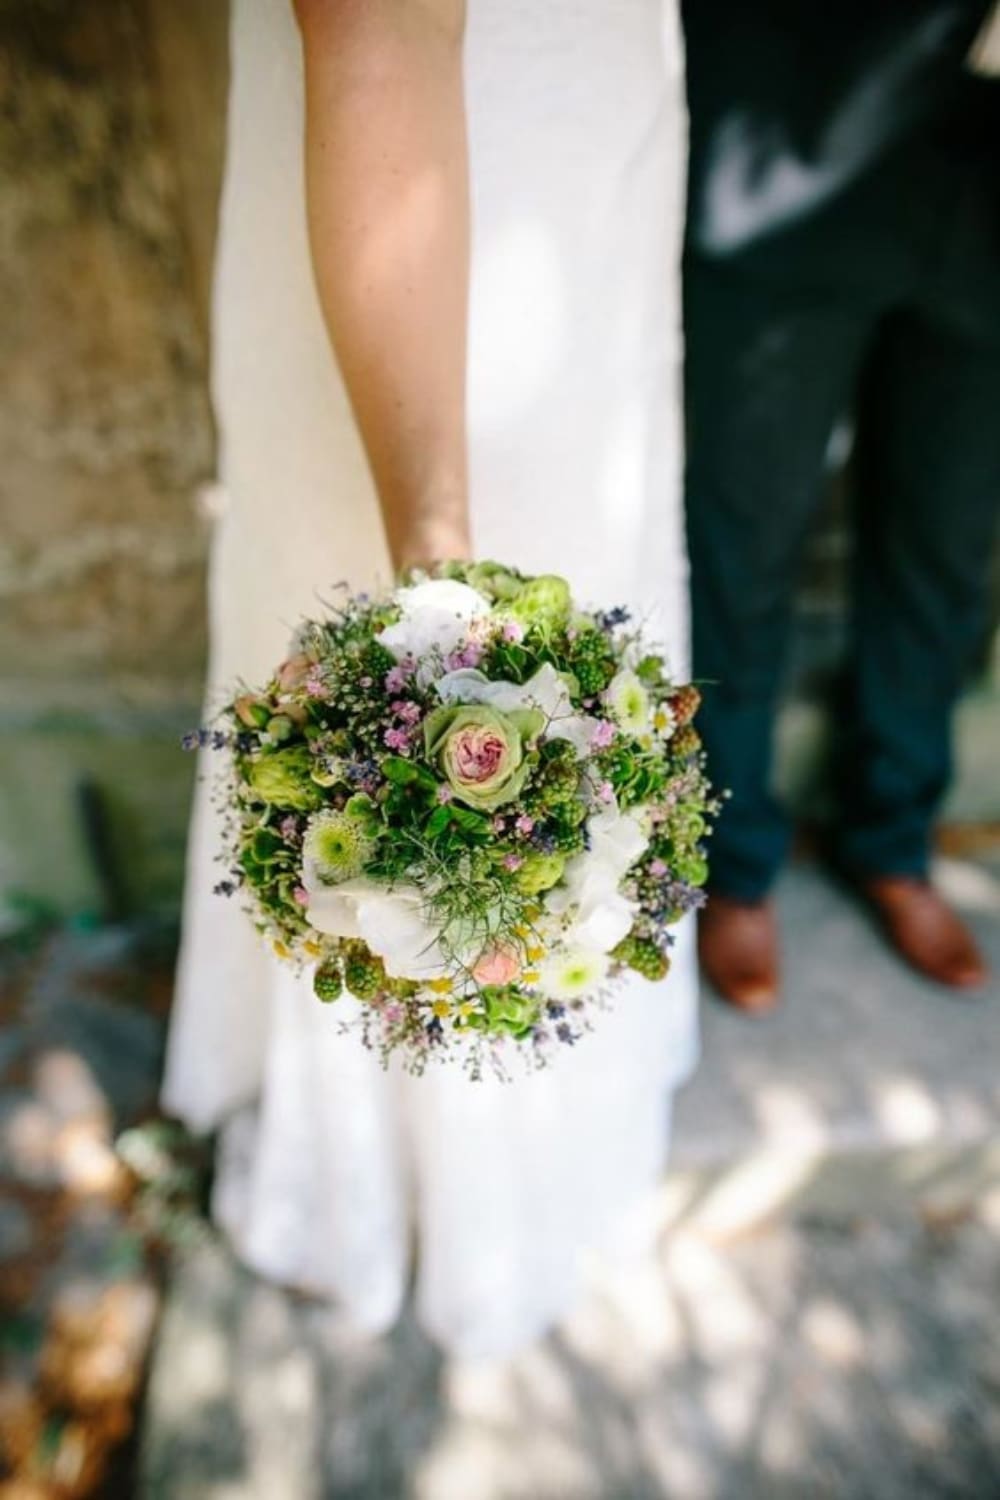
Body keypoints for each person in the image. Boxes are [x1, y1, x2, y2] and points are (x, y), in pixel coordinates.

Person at [163, 0, 696, 1358]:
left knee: (601, 561)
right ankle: (394, 1168)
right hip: (412, 206)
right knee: (411, 627)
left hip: (593, 171)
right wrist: (443, 604)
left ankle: (548, 1113)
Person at [683, 0, 1000, 1011]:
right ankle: (730, 864)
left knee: (944, 549)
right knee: (743, 544)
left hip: (988, 186)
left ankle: (893, 840)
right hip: (796, 143)